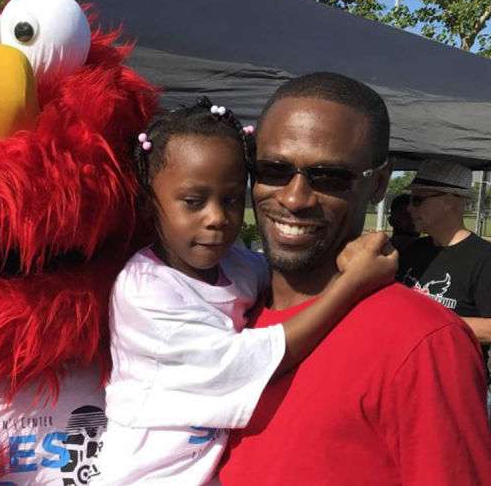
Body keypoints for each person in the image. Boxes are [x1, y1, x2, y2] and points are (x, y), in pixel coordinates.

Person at [93, 100, 396, 485]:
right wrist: (350, 284)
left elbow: (290, 278)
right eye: (193, 202)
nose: (217, 218)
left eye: (233, 199)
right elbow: (250, 360)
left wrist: (347, 256)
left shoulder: (235, 265)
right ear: (148, 202)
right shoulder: (147, 289)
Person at [219, 72, 491, 485]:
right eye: (272, 169)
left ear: (379, 182)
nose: (293, 198)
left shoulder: (423, 343)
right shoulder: (215, 310)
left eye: (330, 177)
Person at [399, 159, 491, 380]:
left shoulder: (484, 257)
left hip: (455, 385)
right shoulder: (415, 250)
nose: (409, 207)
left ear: (448, 201)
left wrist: (429, 325)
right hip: (410, 379)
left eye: (418, 200)